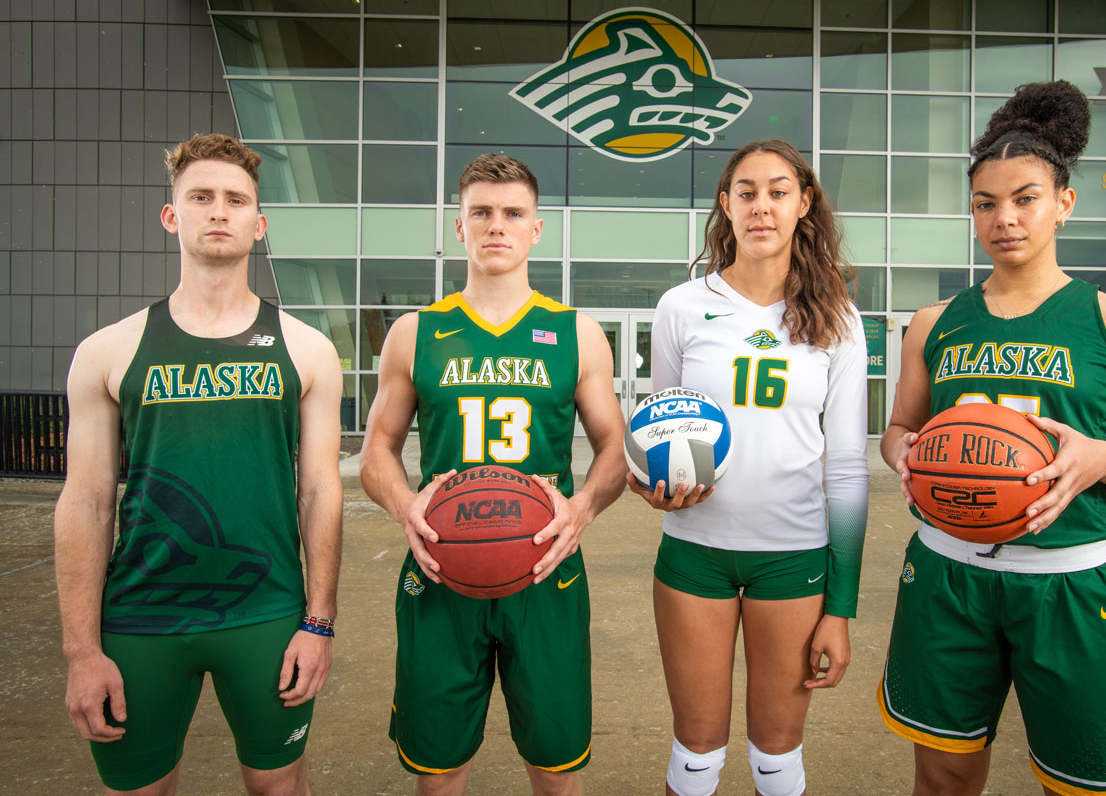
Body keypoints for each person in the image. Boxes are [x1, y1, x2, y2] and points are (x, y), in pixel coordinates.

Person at [877, 81, 1106, 796]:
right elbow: (899, 430)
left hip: (1070, 581)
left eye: (1025, 198)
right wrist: (908, 456)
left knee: (1090, 785)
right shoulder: (935, 322)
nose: (1005, 219)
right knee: (944, 776)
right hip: (946, 573)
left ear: (1063, 203)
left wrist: (1100, 458)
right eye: (987, 204)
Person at [54, 133, 344, 796]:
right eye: (201, 197)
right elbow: (87, 502)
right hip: (138, 618)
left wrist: (319, 621)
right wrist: (81, 650)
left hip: (267, 613)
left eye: (236, 199)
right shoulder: (109, 351)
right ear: (171, 215)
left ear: (258, 223)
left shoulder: (306, 350)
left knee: (278, 786)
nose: (219, 210)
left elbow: (320, 492)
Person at [359, 153, 627, 796]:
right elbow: (376, 453)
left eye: (512, 213)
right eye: (481, 212)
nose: (495, 226)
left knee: (557, 764)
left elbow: (615, 446)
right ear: (459, 225)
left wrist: (582, 509)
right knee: (440, 766)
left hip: (545, 568)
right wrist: (406, 509)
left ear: (537, 229)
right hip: (442, 565)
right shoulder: (415, 332)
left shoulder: (577, 333)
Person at [629, 138, 869, 796]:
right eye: (747, 192)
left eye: (778, 190)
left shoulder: (840, 320)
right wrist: (654, 485)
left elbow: (847, 471)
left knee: (776, 759)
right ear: (726, 205)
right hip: (694, 552)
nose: (762, 205)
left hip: (794, 558)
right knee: (696, 757)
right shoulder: (682, 306)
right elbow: (664, 429)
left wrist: (840, 608)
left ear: (804, 203)